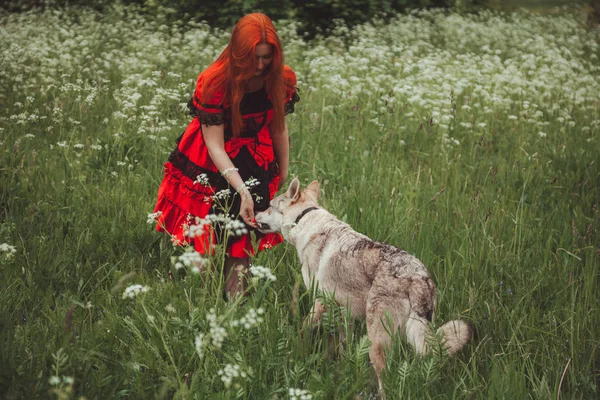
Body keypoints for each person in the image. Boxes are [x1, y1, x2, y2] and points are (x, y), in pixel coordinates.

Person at [153, 13, 299, 298]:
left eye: (266, 57)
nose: (259, 66)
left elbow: (278, 127)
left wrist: (282, 170)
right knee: (204, 235)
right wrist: (242, 190)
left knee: (242, 233)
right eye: (253, 58)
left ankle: (236, 304)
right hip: (208, 159)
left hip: (254, 154)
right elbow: (215, 146)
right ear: (238, 53)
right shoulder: (215, 82)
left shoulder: (281, 78)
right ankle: (203, 299)